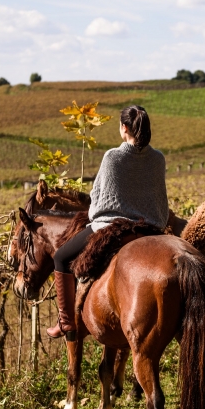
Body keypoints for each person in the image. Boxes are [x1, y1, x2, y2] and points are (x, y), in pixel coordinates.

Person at [46, 105, 169, 338]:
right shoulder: (158, 159)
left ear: (124, 128)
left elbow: (99, 199)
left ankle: (66, 322)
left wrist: (96, 216)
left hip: (113, 227)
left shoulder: (113, 156)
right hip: (151, 228)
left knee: (61, 256)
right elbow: (159, 199)